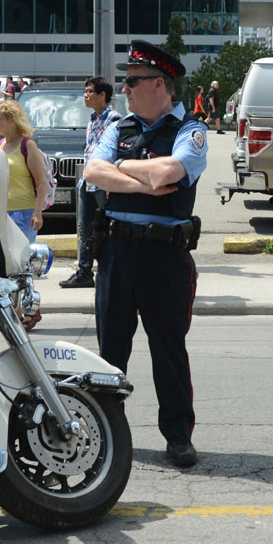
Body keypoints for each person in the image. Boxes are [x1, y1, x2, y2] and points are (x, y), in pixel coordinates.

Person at [84, 40, 208, 469]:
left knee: (168, 351)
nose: (125, 89)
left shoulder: (191, 131)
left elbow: (171, 172)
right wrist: (143, 181)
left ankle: (178, 436)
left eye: (133, 81)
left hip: (164, 258)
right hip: (118, 252)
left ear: (160, 84)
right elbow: (92, 171)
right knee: (109, 353)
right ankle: (102, 432)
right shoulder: (119, 128)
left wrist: (124, 170)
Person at [61, 76, 119, 289]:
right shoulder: (93, 119)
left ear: (102, 95)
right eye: (85, 91)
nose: (85, 95)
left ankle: (109, 270)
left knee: (106, 229)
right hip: (88, 180)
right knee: (85, 228)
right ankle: (84, 272)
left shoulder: (114, 120)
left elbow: (116, 154)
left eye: (89, 91)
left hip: (103, 183)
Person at [0, 99, 51, 243]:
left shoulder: (28, 145)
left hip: (25, 213)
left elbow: (41, 183)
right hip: (2, 213)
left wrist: (37, 213)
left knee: (20, 260)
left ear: (11, 120)